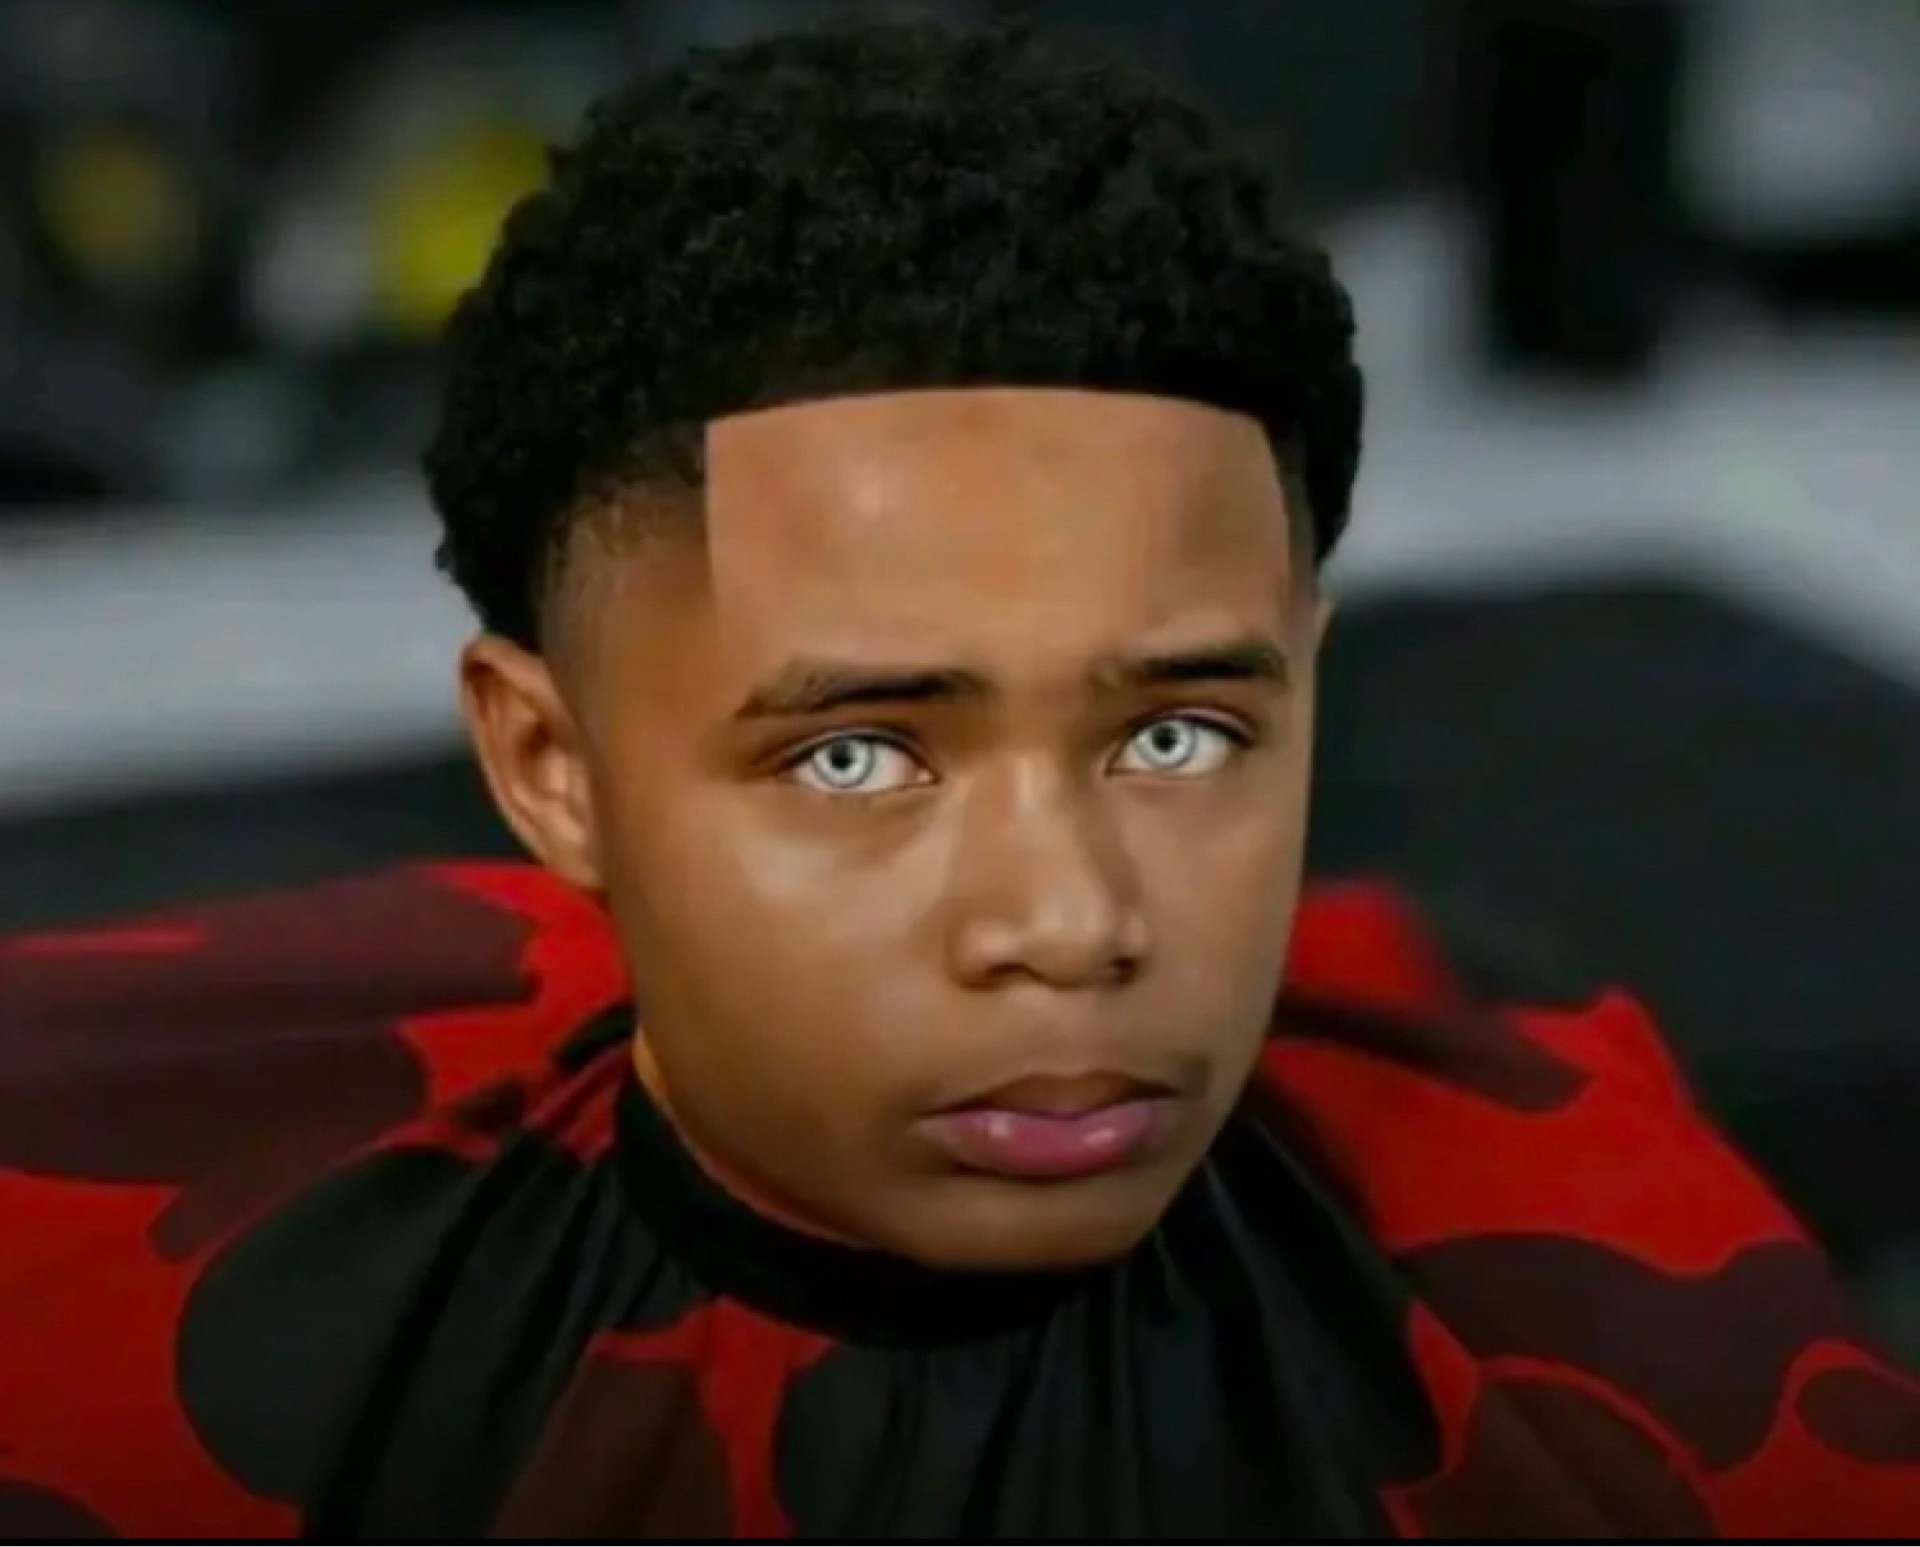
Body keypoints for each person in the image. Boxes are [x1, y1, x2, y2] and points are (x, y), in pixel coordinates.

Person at [2, 21, 1917, 1541]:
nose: (1068, 923)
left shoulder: (1601, 1301)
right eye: (856, 756)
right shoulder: (141, 1331)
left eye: (1179, 735)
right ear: (550, 768)